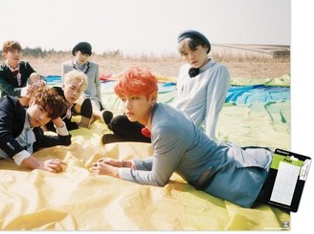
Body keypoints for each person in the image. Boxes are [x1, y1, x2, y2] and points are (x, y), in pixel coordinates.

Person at [92, 67, 274, 208]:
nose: (127, 105)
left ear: (152, 98)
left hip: (251, 180)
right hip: (248, 163)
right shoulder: (164, 112)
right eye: (124, 99)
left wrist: (114, 172)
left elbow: (157, 179)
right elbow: (165, 159)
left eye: (134, 98)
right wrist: (125, 164)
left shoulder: (164, 127)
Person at [103, 29, 230, 143]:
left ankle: (129, 137)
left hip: (181, 128)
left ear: (206, 47)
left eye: (194, 50)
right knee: (130, 112)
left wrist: (210, 142)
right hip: (169, 116)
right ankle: (130, 136)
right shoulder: (184, 69)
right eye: (185, 54)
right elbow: (180, 100)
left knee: (118, 122)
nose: (191, 57)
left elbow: (213, 109)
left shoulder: (218, 71)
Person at [61, 41, 113, 126]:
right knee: (83, 103)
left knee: (92, 104)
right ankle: (100, 115)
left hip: (92, 96)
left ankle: (100, 116)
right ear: (76, 52)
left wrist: (100, 101)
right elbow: (64, 84)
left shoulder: (94, 66)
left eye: (87, 55)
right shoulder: (65, 66)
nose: (84, 57)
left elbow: (97, 85)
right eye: (82, 54)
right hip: (76, 96)